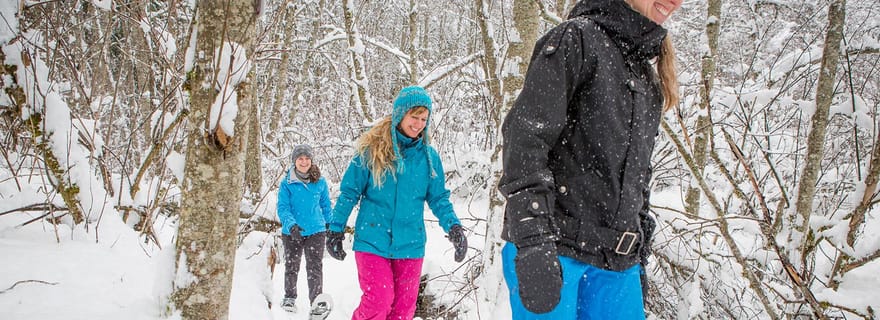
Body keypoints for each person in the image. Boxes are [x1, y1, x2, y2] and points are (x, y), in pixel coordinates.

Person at [498, 0, 682, 318]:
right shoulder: (576, 40)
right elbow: (525, 141)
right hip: (554, 248)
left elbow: (638, 174)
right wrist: (533, 238)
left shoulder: (648, 78)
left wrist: (639, 251)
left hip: (616, 263)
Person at [326, 85, 469, 320]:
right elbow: (349, 192)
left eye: (424, 118)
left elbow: (439, 198)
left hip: (410, 243)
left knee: (402, 312)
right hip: (372, 239)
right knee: (378, 303)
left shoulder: (428, 158)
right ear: (400, 114)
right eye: (414, 117)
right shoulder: (371, 151)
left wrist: (453, 227)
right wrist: (336, 228)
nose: (419, 124)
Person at [276, 144, 332, 313]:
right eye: (300, 158)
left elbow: (325, 205)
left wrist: (330, 223)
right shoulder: (287, 183)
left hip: (316, 230)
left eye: (307, 158)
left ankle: (316, 301)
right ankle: (289, 298)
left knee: (314, 267)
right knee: (292, 266)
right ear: (294, 161)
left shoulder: (320, 181)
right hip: (292, 231)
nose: (304, 161)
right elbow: (283, 207)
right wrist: (291, 225)